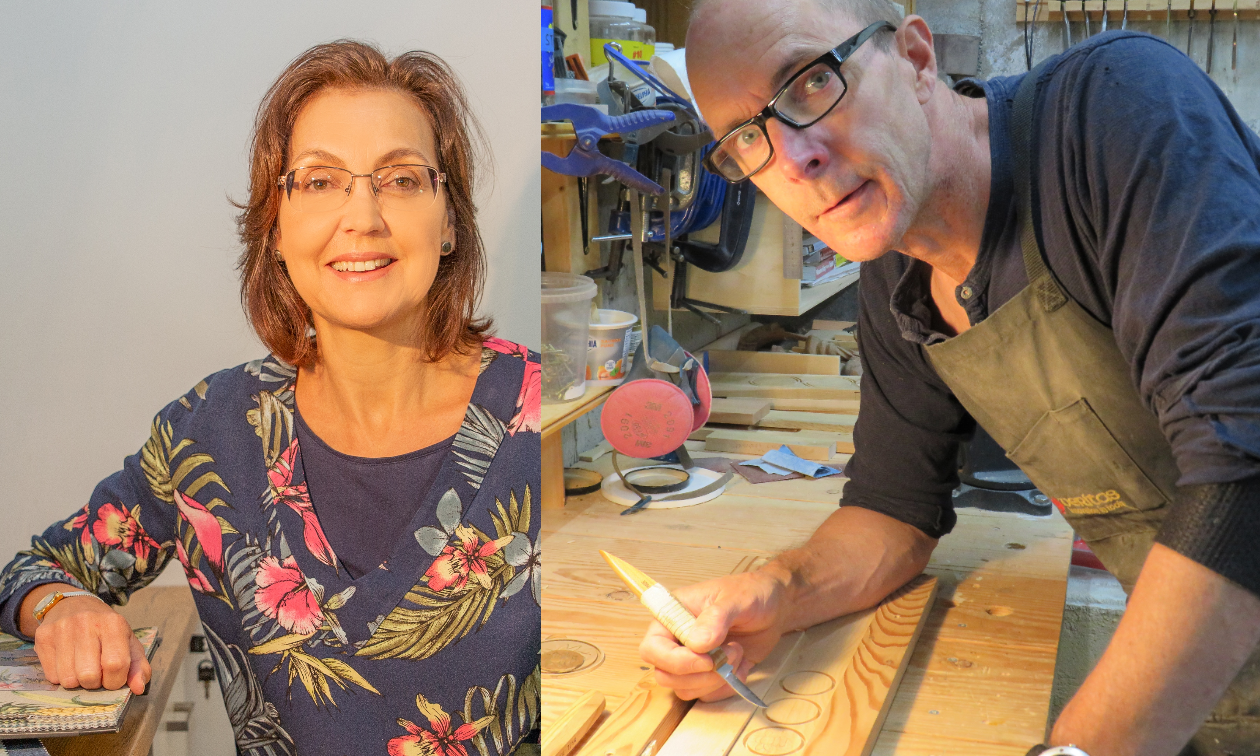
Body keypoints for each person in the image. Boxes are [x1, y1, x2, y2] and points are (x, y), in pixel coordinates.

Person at [638, 1, 1260, 754]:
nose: (795, 159)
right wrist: (776, 592)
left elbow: (1244, 466)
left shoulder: (1113, 110)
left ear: (917, 58)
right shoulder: (898, 271)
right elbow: (893, 512)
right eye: (747, 141)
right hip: (1207, 681)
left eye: (808, 85)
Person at [0, 41, 540, 756]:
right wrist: (63, 608)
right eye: (319, 182)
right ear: (275, 230)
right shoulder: (210, 432)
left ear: (449, 223)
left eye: (402, 179)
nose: (363, 215)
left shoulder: (543, 421)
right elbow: (32, 572)